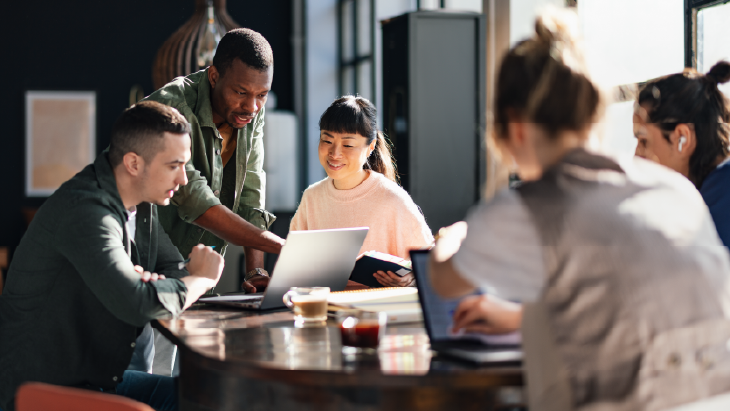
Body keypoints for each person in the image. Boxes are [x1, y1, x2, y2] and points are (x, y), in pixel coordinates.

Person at [429, 9, 730, 411]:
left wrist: (454, 237)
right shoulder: (675, 189)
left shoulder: (532, 205)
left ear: (514, 128)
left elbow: (444, 282)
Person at [0, 102, 224, 411]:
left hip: (100, 378)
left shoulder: (142, 205)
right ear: (134, 163)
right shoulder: (85, 211)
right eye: (174, 165)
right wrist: (201, 279)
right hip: (43, 391)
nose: (184, 179)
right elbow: (138, 304)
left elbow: (171, 267)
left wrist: (151, 288)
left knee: (213, 398)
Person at [142, 28, 284, 294]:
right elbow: (195, 198)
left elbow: (251, 193)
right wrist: (283, 248)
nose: (252, 107)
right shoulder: (170, 107)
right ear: (214, 76)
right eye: (241, 92)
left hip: (196, 278)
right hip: (141, 267)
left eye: (262, 95)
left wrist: (256, 271)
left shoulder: (250, 114)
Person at [290, 96, 433, 287]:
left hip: (376, 310)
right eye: (327, 140)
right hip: (323, 309)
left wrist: (412, 278)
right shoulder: (312, 197)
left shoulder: (392, 199)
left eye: (348, 145)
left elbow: (430, 261)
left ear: (370, 147)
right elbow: (292, 265)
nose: (335, 153)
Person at [633, 62, 730, 247]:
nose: (636, 157)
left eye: (644, 141)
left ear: (682, 139)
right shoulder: (714, 192)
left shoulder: (712, 218)